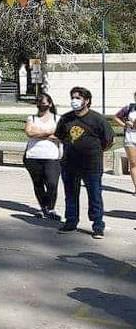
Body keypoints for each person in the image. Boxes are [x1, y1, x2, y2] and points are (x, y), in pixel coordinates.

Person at [55, 87, 114, 239]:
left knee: (94, 195)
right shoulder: (66, 118)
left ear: (86, 101)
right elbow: (60, 136)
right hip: (69, 164)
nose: (74, 101)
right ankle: (71, 221)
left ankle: (98, 225)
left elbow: (108, 141)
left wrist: (93, 151)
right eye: (73, 97)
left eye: (78, 98)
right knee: (70, 195)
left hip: (91, 165)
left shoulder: (97, 119)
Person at [23, 93, 62, 220]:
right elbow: (29, 132)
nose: (41, 106)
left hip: (52, 156)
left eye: (44, 103)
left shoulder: (58, 118)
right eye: (39, 103)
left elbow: (61, 135)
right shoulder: (31, 118)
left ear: (50, 104)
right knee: (38, 183)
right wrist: (49, 133)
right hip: (33, 156)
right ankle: (43, 208)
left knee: (52, 183)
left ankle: (50, 208)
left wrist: (38, 133)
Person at [113, 92, 136, 194]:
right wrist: (124, 125)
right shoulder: (129, 108)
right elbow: (116, 117)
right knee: (133, 163)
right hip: (130, 139)